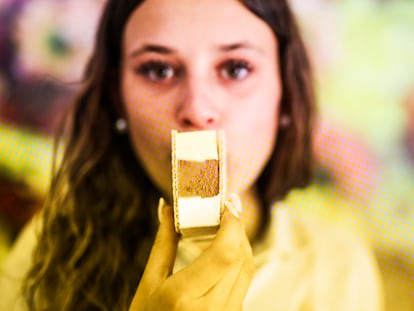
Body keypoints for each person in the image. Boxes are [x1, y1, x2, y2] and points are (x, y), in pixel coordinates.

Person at [0, 0, 384, 310]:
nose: (197, 109)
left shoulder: (337, 266)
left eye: (236, 68)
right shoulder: (56, 243)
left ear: (284, 95)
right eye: (158, 69)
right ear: (117, 101)